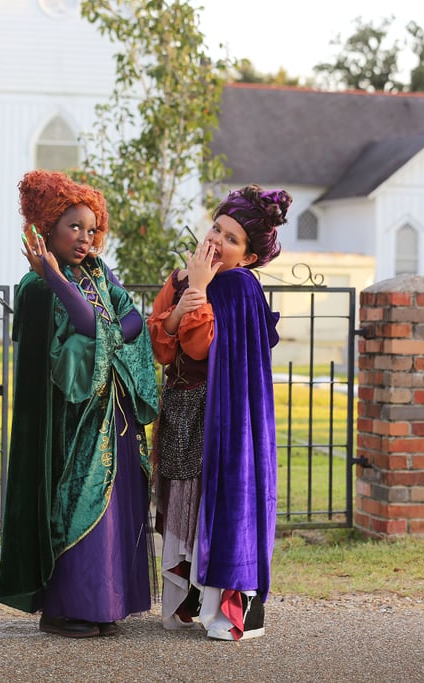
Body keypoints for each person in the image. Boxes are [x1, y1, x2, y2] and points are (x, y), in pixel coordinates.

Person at [0, 169, 160, 638]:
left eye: (92, 229)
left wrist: (107, 332)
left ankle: (105, 605)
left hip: (113, 415)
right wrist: (52, 275)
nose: (85, 238)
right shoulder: (37, 288)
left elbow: (131, 320)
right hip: (69, 426)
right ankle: (68, 607)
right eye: (74, 227)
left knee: (112, 511)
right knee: (77, 506)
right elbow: (90, 326)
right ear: (47, 229)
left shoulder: (97, 272)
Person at [147, 183, 289, 641]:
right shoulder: (179, 278)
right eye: (216, 228)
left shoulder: (241, 288)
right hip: (183, 407)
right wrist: (184, 300)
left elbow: (201, 345)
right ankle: (185, 601)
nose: (216, 241)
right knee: (183, 501)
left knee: (211, 502)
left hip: (220, 416)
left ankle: (219, 605)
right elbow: (163, 347)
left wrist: (202, 291)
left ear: (247, 257)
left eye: (231, 239)